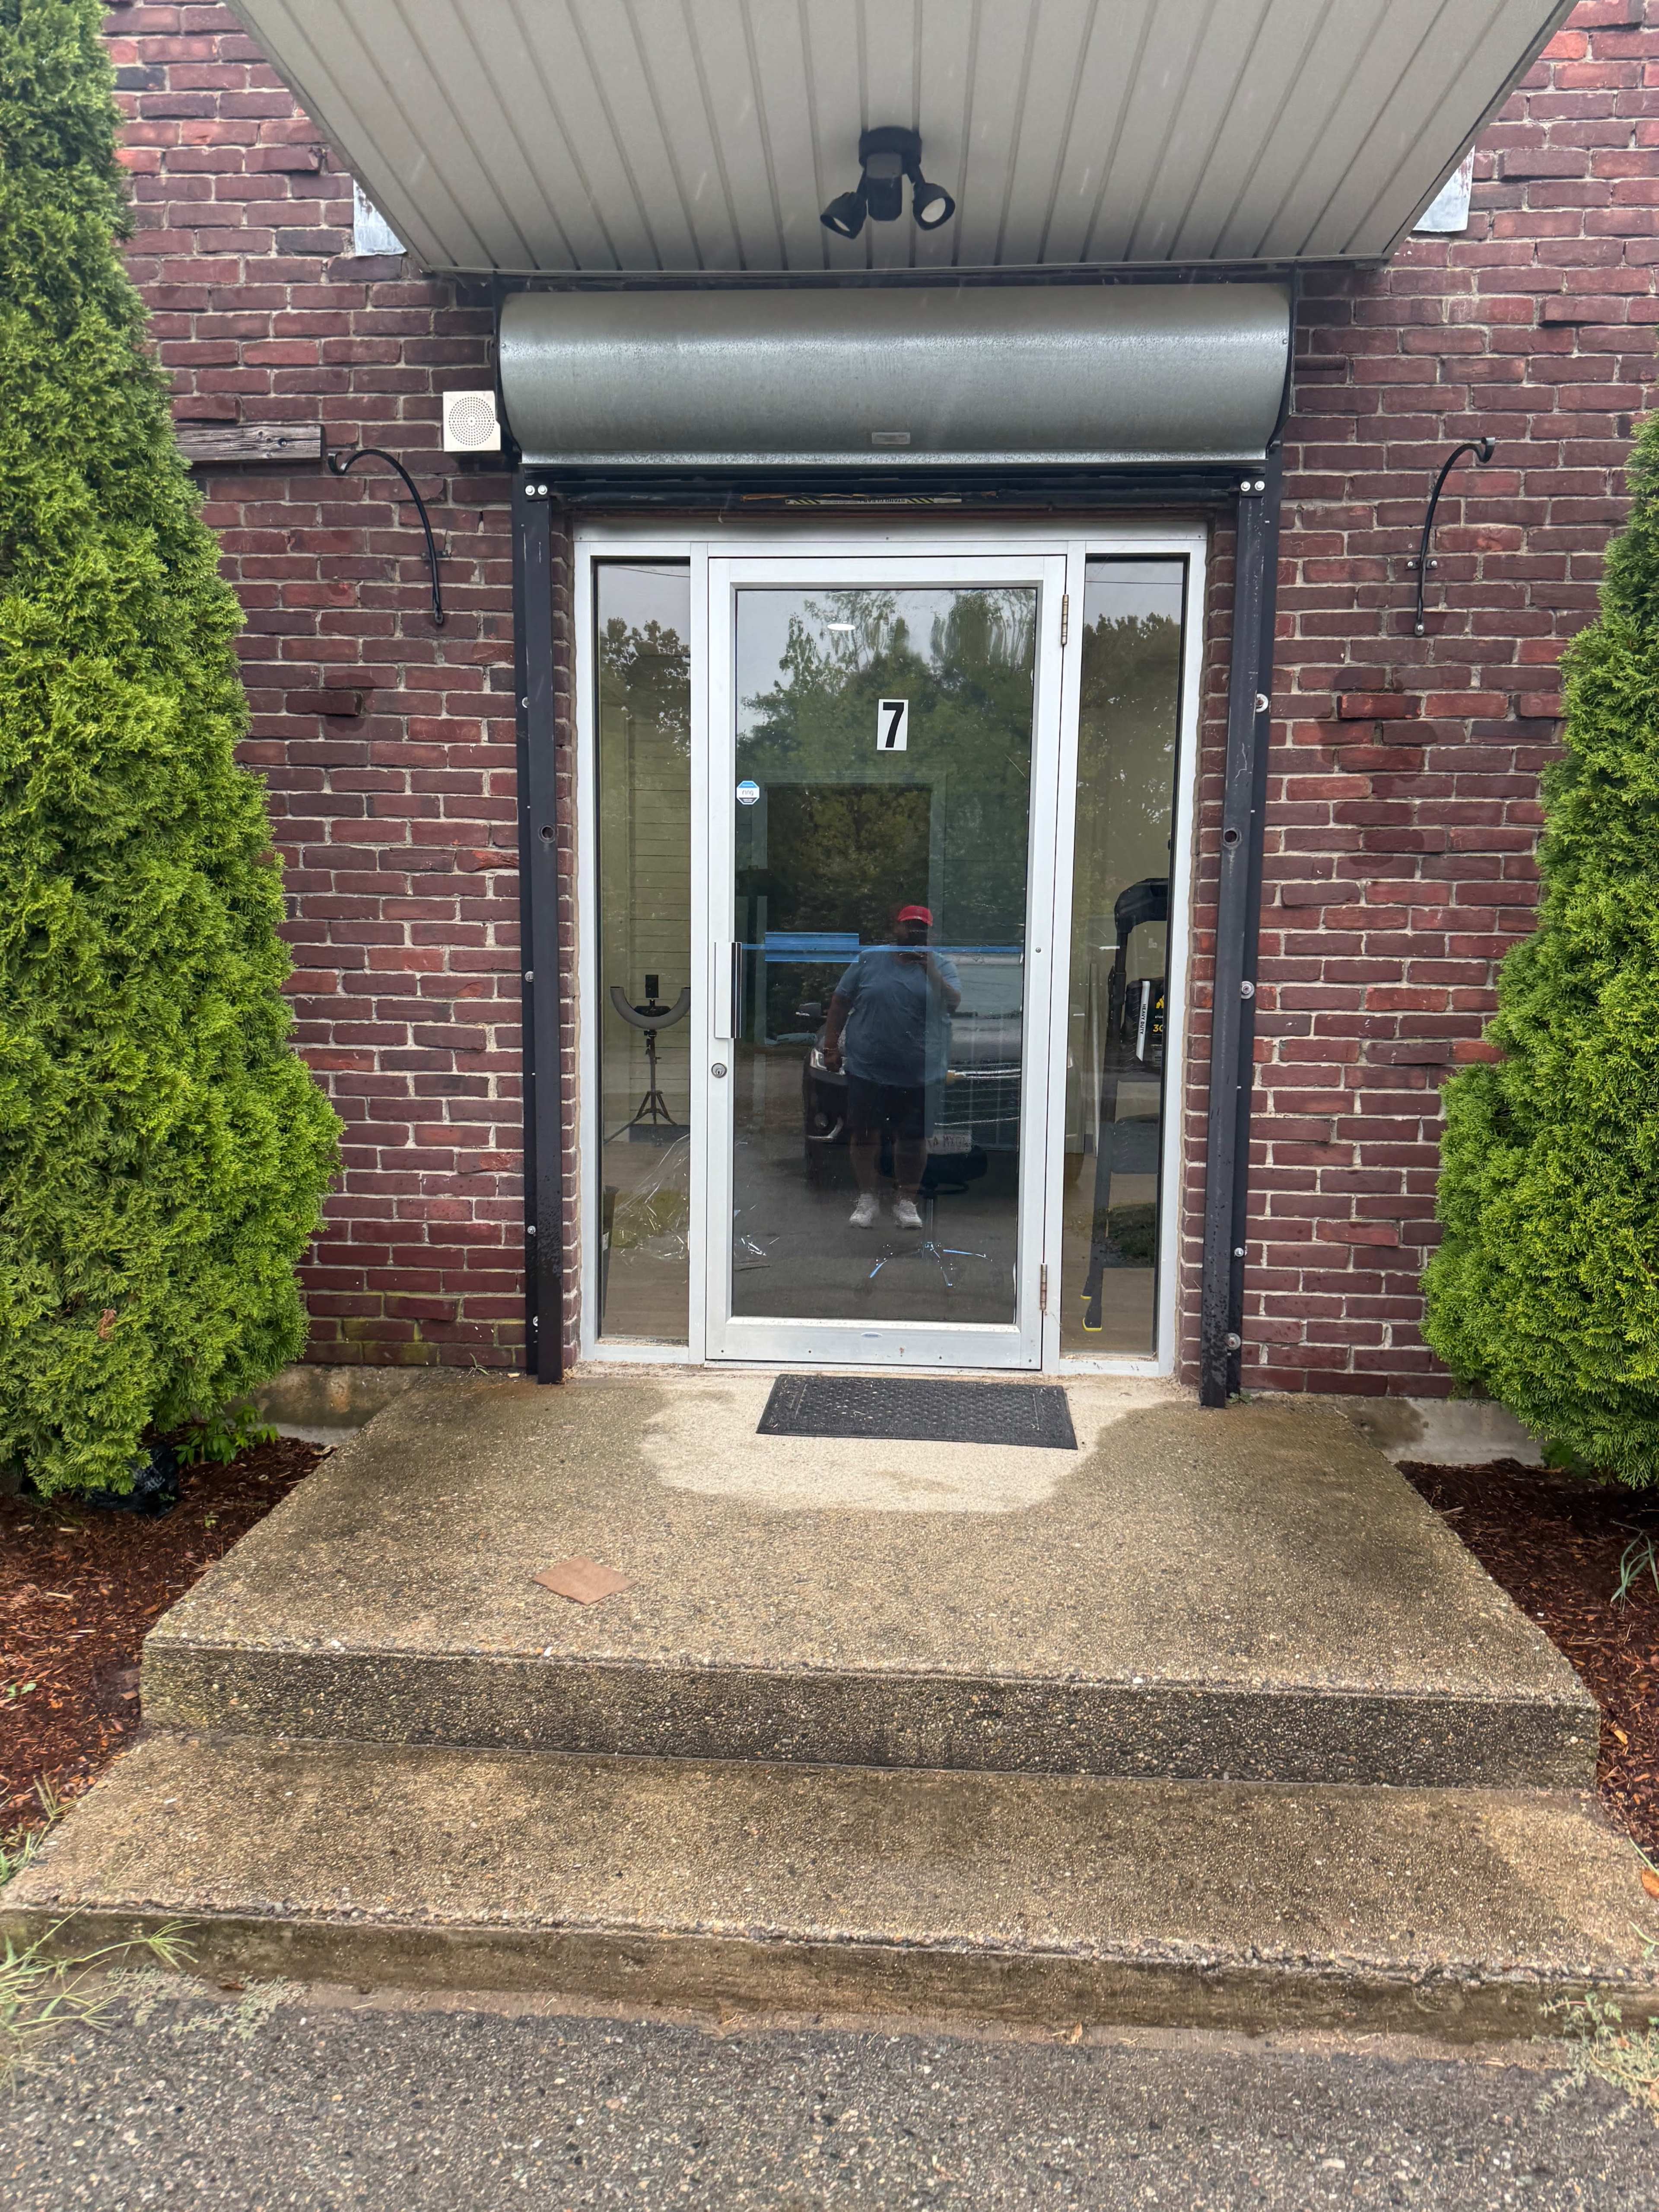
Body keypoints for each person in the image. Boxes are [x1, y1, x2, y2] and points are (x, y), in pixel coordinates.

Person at [820, 905, 960, 1231]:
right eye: (908, 926)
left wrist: (931, 971)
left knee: (913, 1139)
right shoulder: (869, 959)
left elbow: (953, 1004)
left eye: (921, 928)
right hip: (868, 1068)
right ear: (896, 928)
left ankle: (906, 1201)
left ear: (930, 933)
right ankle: (867, 1198)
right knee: (865, 1134)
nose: (914, 932)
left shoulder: (942, 964)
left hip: (920, 1072)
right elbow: (840, 1001)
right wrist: (831, 1046)